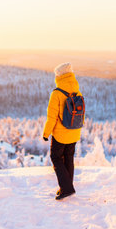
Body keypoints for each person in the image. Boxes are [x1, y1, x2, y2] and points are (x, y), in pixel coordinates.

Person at [43, 62, 82, 200]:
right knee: (69, 159)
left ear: (59, 76)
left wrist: (46, 133)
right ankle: (67, 187)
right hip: (74, 132)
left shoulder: (57, 93)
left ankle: (66, 188)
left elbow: (52, 117)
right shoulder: (77, 91)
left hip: (60, 134)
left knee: (56, 158)